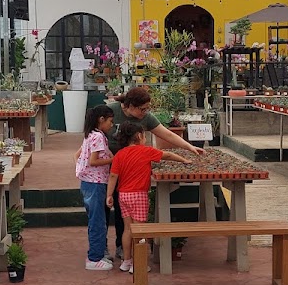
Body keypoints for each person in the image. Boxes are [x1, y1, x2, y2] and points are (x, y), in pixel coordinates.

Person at [103, 86, 204, 259]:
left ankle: (123, 250)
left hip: (127, 173)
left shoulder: (146, 119)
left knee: (123, 215)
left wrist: (189, 147)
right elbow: (93, 132)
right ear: (130, 106)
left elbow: (167, 135)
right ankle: (103, 248)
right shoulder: (110, 111)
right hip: (106, 167)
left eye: (147, 109)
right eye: (142, 109)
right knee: (105, 211)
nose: (145, 112)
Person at [106, 123, 190, 273]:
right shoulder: (146, 151)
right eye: (145, 135)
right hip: (139, 194)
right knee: (140, 230)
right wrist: (184, 160)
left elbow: (113, 176)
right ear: (139, 136)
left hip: (123, 195)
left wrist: (109, 195)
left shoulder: (119, 154)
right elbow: (167, 155)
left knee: (127, 229)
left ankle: (126, 261)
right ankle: (138, 265)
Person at [76, 105, 115, 270]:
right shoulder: (98, 137)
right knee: (97, 221)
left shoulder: (90, 134)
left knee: (96, 220)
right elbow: (93, 161)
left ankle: (99, 253)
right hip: (96, 183)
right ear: (101, 119)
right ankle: (94, 258)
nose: (111, 125)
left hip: (88, 182)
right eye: (110, 121)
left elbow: (77, 156)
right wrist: (114, 160)